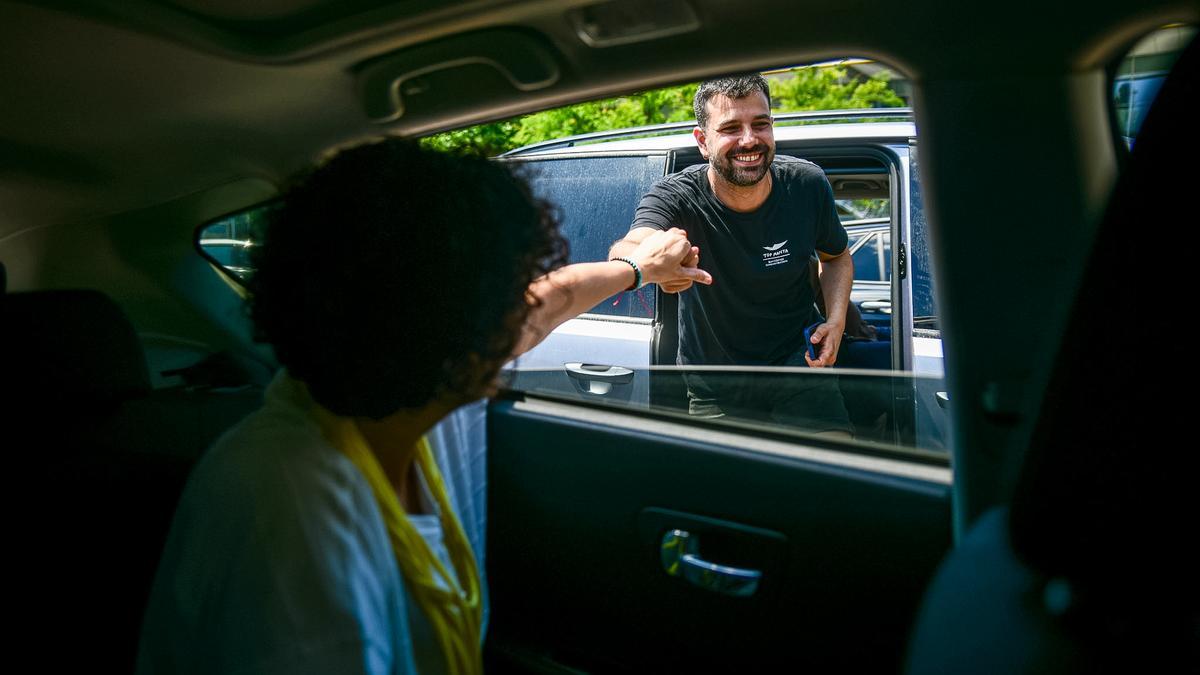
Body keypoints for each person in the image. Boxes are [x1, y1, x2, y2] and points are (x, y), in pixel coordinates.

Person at [136, 139, 710, 675]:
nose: (517, 314)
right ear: (432, 318)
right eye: (496, 295)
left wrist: (640, 269)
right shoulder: (293, 518)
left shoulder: (410, 384)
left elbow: (552, 299)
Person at [608, 74, 854, 434]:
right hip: (715, 384)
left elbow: (837, 258)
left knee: (832, 479)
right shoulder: (676, 196)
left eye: (760, 124)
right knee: (729, 487)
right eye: (730, 128)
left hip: (801, 365)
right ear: (703, 142)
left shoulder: (807, 185)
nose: (749, 140)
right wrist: (644, 266)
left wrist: (836, 321)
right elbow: (630, 246)